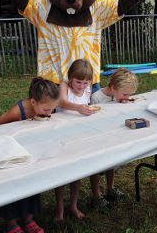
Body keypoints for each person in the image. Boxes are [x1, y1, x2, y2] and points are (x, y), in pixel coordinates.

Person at [0, 77, 60, 233]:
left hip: (32, 152)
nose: (49, 113)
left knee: (31, 181)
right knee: (12, 183)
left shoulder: (45, 108)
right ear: (33, 102)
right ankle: (12, 222)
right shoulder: (18, 110)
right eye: (46, 110)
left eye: (52, 110)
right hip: (13, 153)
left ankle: (28, 218)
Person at [90, 68, 139, 208]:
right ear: (112, 88)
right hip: (98, 138)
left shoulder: (120, 97)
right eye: (125, 94)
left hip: (113, 136)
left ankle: (110, 188)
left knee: (111, 161)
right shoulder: (97, 98)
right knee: (96, 166)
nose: (127, 97)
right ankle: (96, 195)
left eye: (130, 95)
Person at [55, 59, 94, 221]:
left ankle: (73, 205)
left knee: (76, 171)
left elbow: (86, 106)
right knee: (60, 172)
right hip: (60, 135)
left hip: (79, 135)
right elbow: (61, 102)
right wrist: (78, 108)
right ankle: (59, 207)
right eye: (78, 82)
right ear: (70, 78)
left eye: (85, 83)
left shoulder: (87, 90)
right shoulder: (64, 86)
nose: (82, 86)